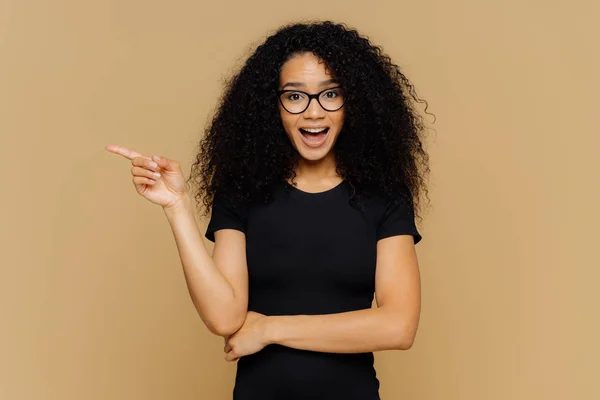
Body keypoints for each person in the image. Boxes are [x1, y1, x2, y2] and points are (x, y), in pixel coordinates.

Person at [106, 20, 431, 400]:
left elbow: (398, 327)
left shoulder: (385, 198)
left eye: (330, 95)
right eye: (295, 96)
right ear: (271, 106)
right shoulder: (242, 194)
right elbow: (225, 317)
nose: (313, 112)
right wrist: (177, 207)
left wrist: (270, 329)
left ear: (353, 103)